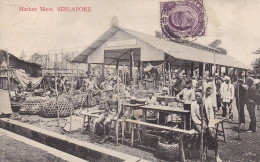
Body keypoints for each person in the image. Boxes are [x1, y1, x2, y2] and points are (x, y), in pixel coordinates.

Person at [191, 89, 222, 162]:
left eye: (198, 96)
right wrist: (201, 124)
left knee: (212, 134)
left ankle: (217, 154)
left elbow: (211, 115)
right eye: (196, 96)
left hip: (208, 122)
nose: (197, 98)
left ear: (202, 96)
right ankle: (203, 152)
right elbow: (194, 117)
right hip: (198, 122)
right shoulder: (193, 104)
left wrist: (209, 125)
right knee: (202, 132)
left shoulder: (207, 102)